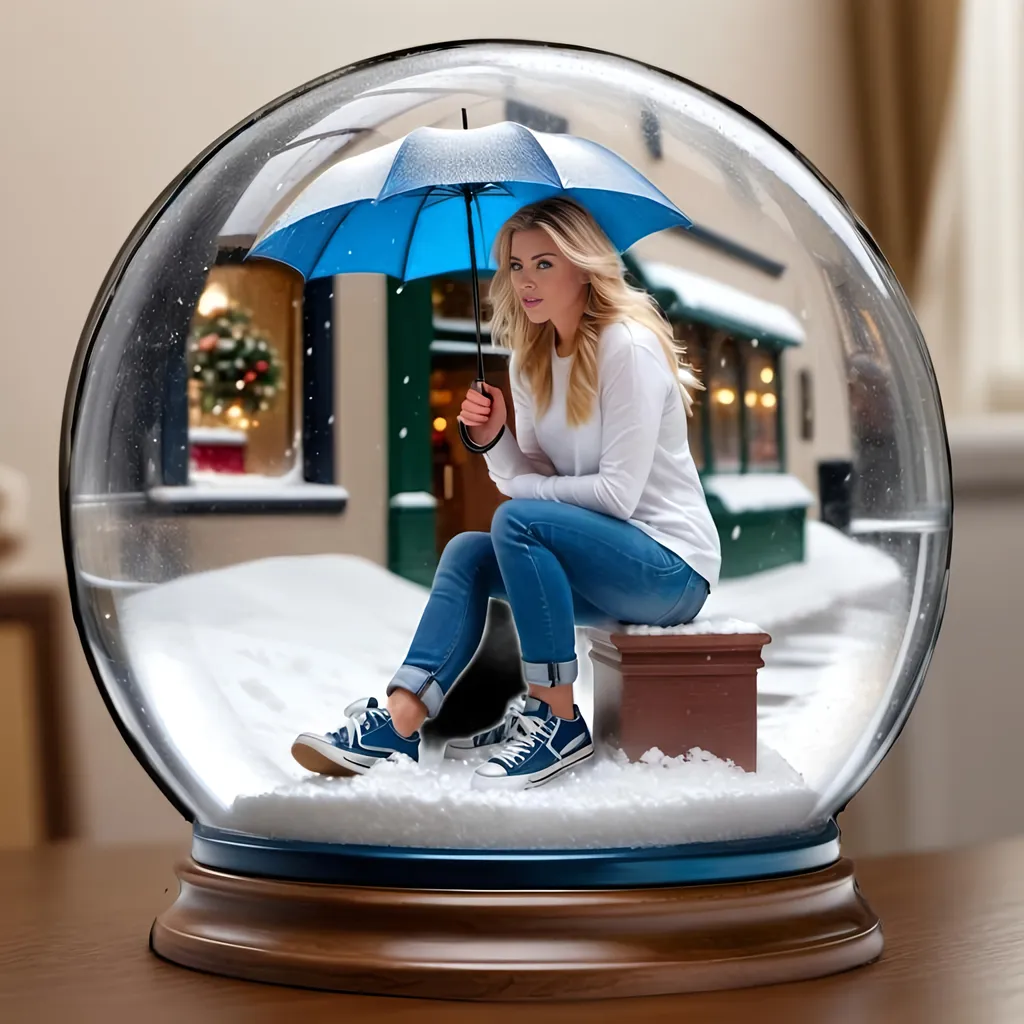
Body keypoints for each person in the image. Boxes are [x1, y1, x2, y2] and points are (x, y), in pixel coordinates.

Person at [291, 196, 722, 791]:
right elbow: (532, 480)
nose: (525, 281)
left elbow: (617, 496)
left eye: (544, 264)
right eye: (515, 266)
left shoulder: (628, 346)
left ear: (584, 265)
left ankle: (557, 718)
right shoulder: (533, 357)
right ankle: (400, 722)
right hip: (606, 564)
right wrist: (494, 440)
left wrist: (527, 490)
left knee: (518, 521)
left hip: (670, 569)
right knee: (470, 552)